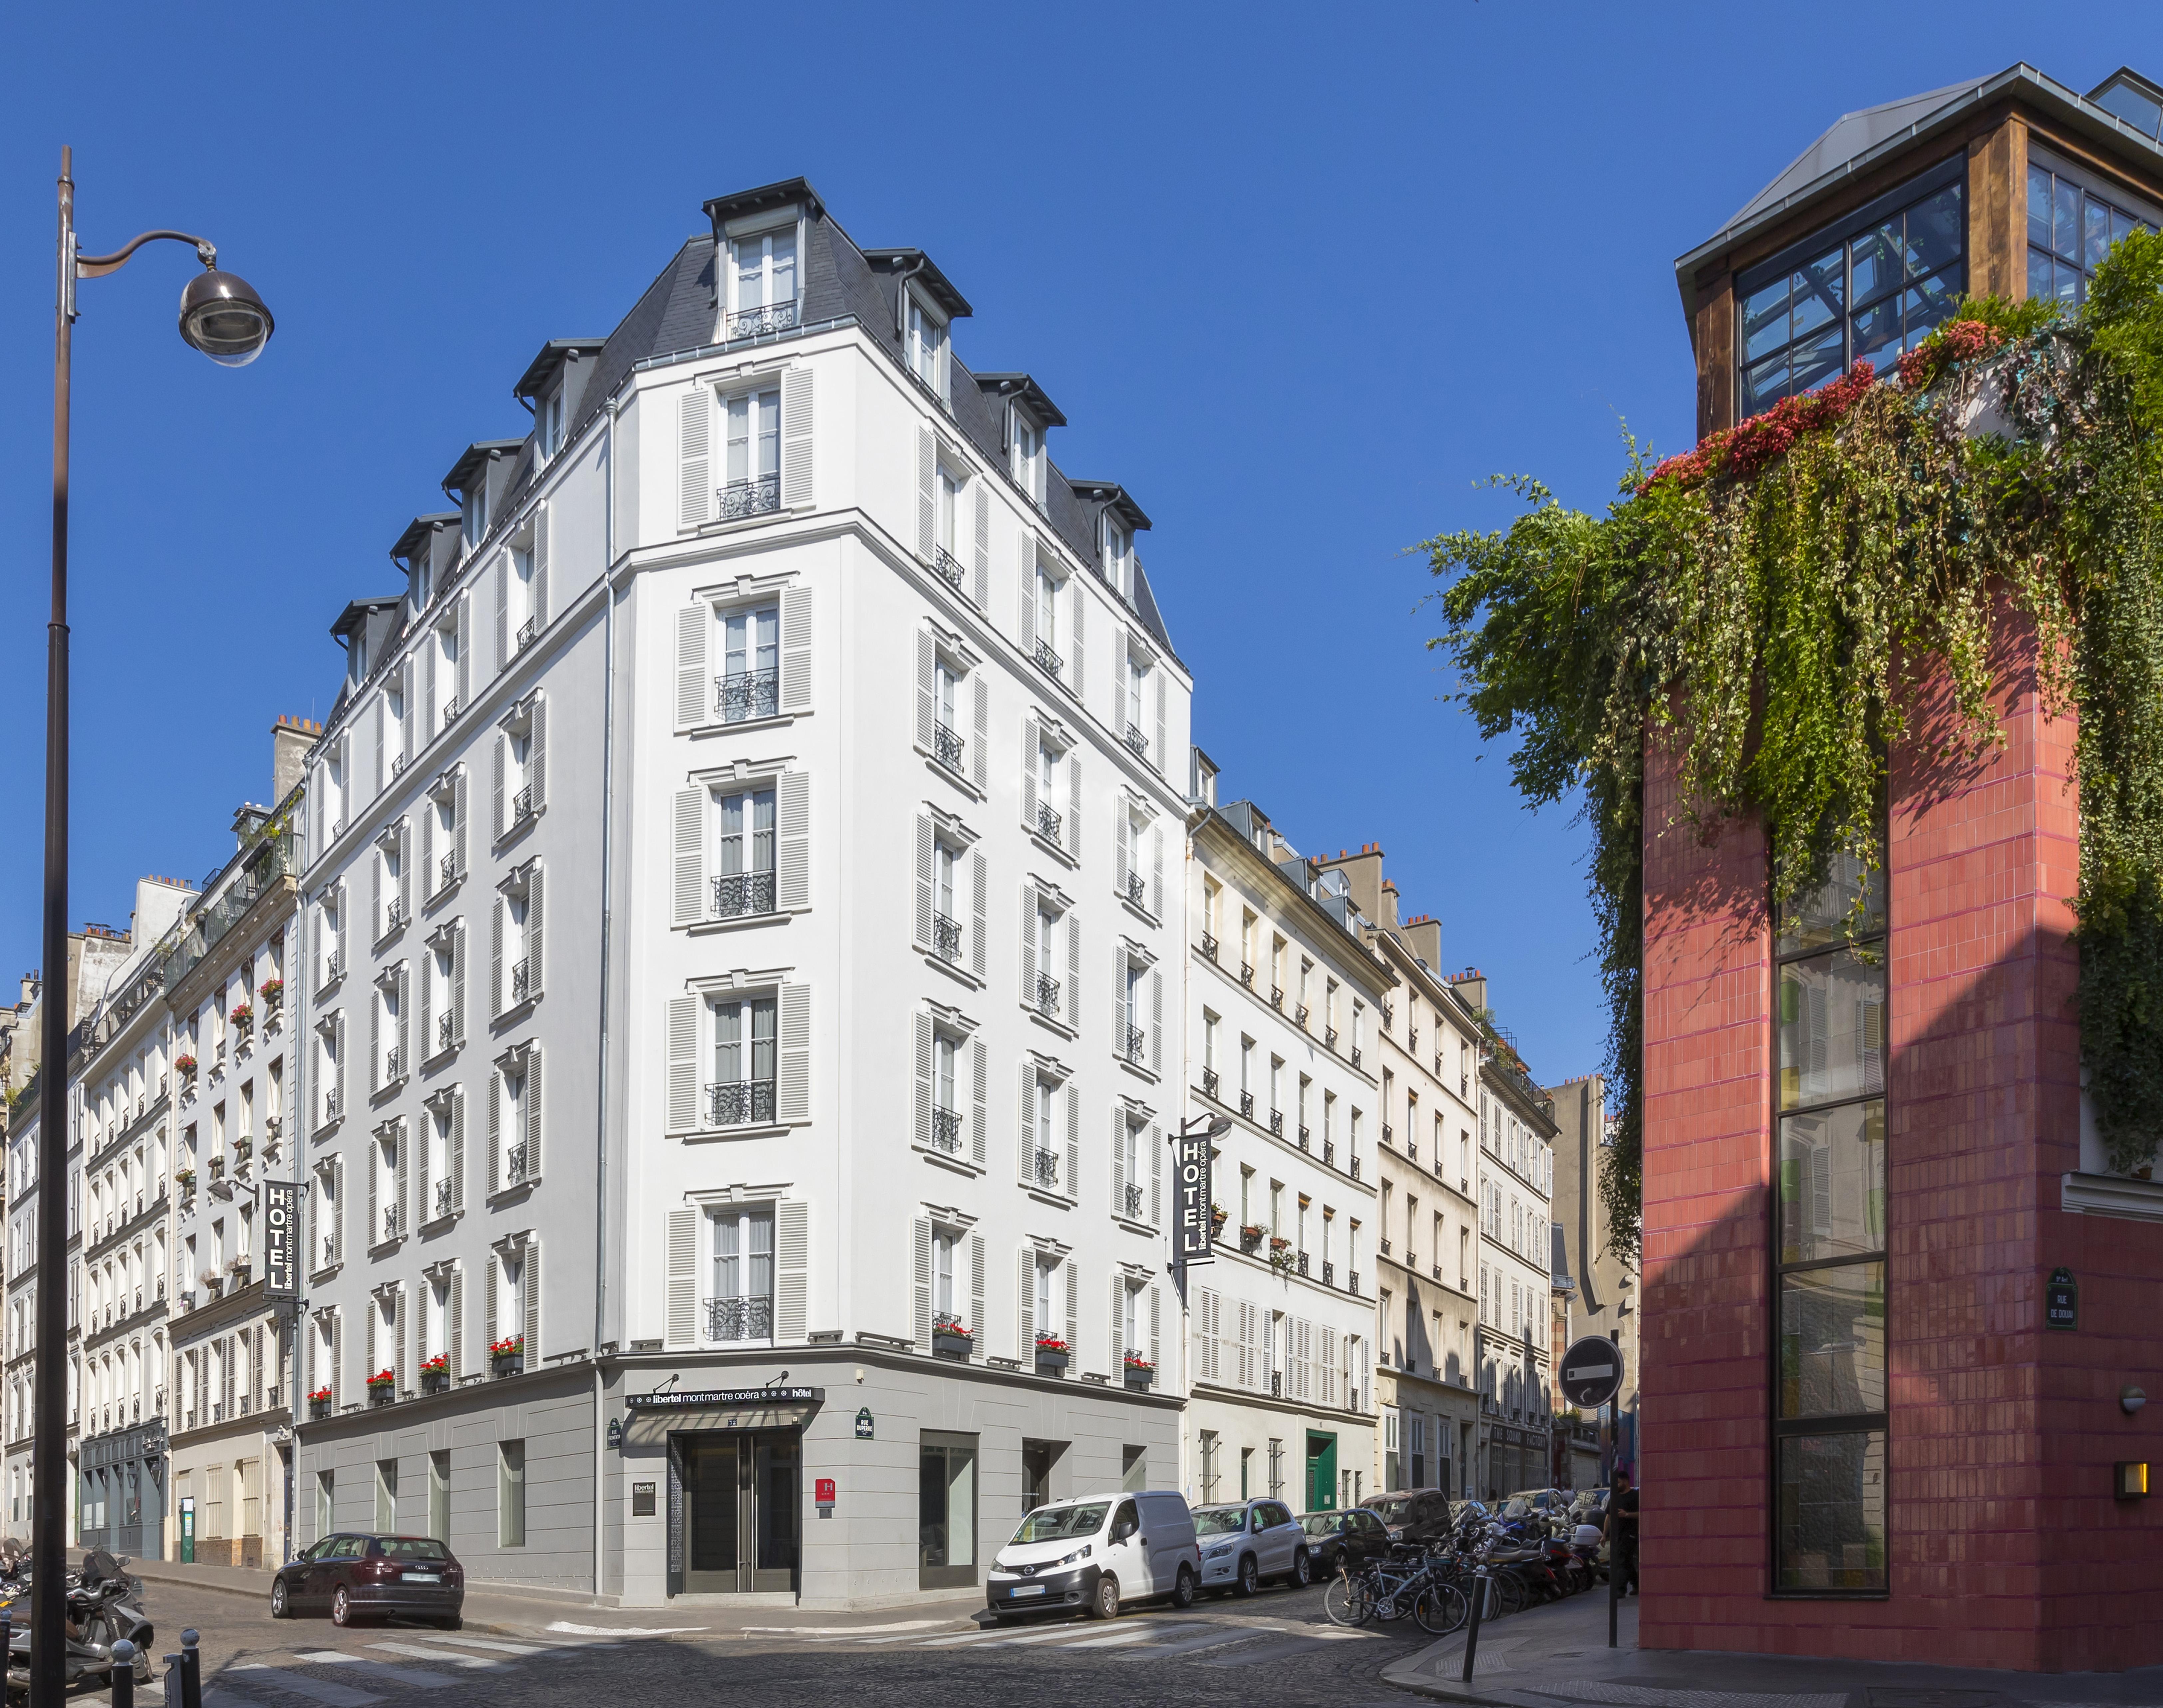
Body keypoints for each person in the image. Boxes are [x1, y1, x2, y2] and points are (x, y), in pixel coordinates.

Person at [1608, 1469, 1639, 1596]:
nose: (1616, 1486)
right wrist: (1604, 1535)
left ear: (1626, 1482)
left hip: (1631, 1534)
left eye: (1618, 1482)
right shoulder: (1615, 1497)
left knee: (1622, 1561)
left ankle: (1620, 1590)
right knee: (1625, 1561)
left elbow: (1643, 1514)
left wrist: (1626, 1515)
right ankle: (1637, 1584)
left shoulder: (1635, 1496)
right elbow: (1608, 1516)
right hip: (1617, 1534)